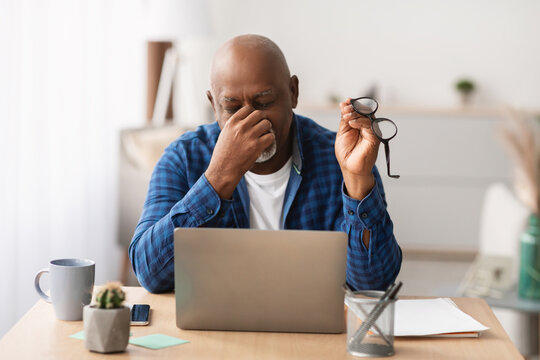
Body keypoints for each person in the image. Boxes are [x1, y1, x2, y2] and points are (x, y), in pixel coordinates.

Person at [129, 34, 402, 293]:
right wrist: (218, 177)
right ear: (213, 105)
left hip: (310, 331)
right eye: (233, 108)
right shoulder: (184, 158)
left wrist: (356, 180)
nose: (250, 119)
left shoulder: (337, 159)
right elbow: (149, 274)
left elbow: (372, 285)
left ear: (293, 93)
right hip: (216, 331)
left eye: (264, 102)